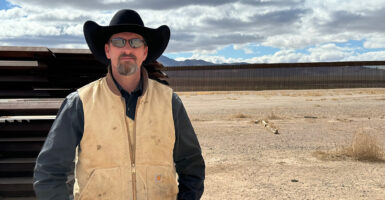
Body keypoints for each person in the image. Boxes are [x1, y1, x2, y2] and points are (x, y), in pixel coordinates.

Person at [33, 9, 205, 200]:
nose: (127, 49)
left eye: (136, 42)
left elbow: (192, 165)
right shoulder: (80, 103)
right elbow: (49, 172)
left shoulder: (169, 102)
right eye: (118, 42)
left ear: (145, 51)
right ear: (108, 50)